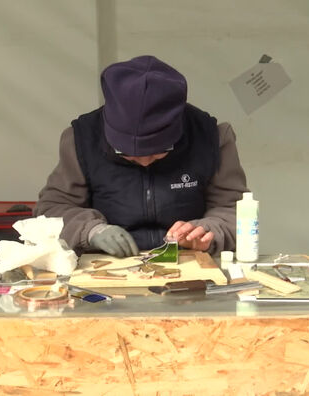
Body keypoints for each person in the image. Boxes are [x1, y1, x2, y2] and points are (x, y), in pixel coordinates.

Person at [35, 55, 248, 257]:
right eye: (125, 154)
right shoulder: (81, 140)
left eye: (160, 152)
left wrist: (206, 231)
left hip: (190, 266)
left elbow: (236, 210)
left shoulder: (212, 138)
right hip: (106, 270)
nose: (145, 161)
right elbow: (50, 209)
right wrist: (90, 231)